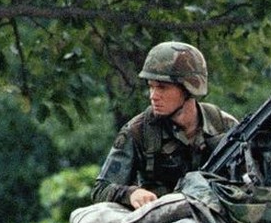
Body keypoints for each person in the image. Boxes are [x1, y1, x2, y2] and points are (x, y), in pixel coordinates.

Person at [90, 41, 239, 209]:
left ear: (189, 89)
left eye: (162, 87)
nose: (153, 96)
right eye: (151, 87)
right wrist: (131, 193)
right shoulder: (138, 131)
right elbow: (100, 190)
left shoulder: (223, 126)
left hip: (216, 214)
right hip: (160, 222)